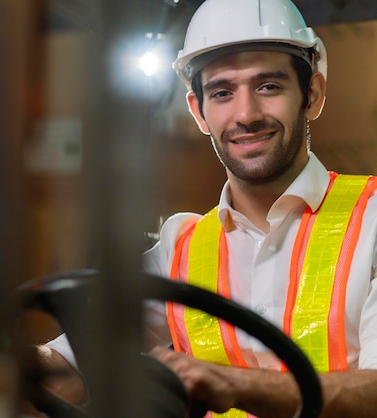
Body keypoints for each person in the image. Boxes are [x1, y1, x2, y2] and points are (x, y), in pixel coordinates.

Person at [34, 0, 377, 417]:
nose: (246, 114)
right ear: (198, 111)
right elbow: (71, 367)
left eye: (268, 86)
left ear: (313, 95)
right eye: (222, 92)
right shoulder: (177, 250)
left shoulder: (371, 219)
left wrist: (234, 384)